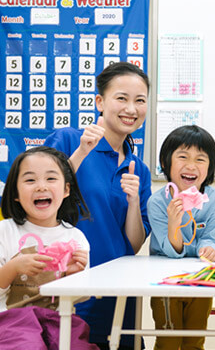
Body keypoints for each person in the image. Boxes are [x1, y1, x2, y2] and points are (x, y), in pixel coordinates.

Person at [45, 62, 152, 349]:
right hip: (71, 289)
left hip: (120, 291)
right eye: (122, 98)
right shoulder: (68, 139)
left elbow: (134, 242)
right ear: (100, 102)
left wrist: (133, 203)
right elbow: (41, 196)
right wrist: (80, 153)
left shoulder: (138, 168)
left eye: (140, 101)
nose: (131, 108)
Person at [0, 146, 96, 348]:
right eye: (30, 180)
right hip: (11, 320)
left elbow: (80, 297)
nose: (41, 187)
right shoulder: (5, 231)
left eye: (51, 178)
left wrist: (71, 276)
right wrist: (13, 268)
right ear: (15, 193)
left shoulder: (76, 237)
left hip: (60, 320)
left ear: (66, 190)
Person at [147, 125, 215, 350]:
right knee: (168, 341)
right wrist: (174, 221)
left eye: (201, 159)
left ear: (210, 168)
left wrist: (208, 249)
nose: (191, 166)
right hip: (165, 282)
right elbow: (172, 252)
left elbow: (211, 238)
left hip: (201, 281)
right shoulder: (158, 202)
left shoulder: (214, 199)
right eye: (182, 157)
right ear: (166, 162)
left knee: (195, 341)